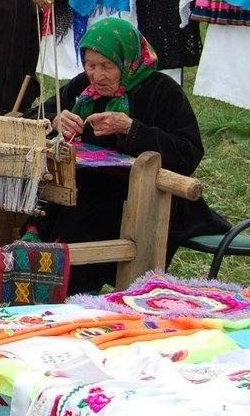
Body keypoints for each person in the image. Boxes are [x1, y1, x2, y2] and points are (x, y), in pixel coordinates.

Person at [39, 17, 229, 293]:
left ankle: (73, 294)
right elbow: (35, 116)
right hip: (86, 188)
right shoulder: (83, 88)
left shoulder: (162, 92)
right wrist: (56, 121)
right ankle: (42, 283)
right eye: (90, 65)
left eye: (107, 66)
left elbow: (188, 152)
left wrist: (131, 129)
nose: (97, 75)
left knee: (83, 223)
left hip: (141, 194)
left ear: (128, 61)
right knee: (41, 210)